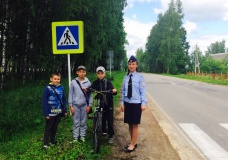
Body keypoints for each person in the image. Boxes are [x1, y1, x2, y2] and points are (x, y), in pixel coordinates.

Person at [120, 55, 147, 153]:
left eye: (133, 64)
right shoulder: (125, 78)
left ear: (136, 65)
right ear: (128, 65)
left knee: (135, 124)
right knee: (130, 124)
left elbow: (143, 91)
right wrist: (122, 103)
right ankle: (133, 142)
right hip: (127, 103)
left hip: (136, 103)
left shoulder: (140, 77)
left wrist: (143, 103)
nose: (131, 66)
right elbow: (123, 91)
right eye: (130, 64)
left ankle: (132, 144)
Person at [89, 66, 117, 144]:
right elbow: (90, 88)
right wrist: (87, 89)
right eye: (99, 73)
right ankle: (102, 131)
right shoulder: (95, 82)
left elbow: (114, 90)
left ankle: (111, 135)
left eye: (102, 73)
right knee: (101, 117)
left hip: (108, 103)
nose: (100, 75)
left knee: (110, 119)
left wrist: (114, 91)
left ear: (104, 74)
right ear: (96, 74)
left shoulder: (107, 82)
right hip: (100, 102)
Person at [42, 73, 67, 149]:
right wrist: (46, 113)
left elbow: (63, 99)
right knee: (48, 128)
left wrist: (65, 110)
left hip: (58, 112)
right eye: (55, 79)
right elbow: (44, 101)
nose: (56, 80)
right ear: (51, 79)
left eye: (58, 79)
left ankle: (52, 141)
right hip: (50, 113)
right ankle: (46, 143)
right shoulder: (47, 88)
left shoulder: (61, 88)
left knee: (55, 127)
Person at [68, 65, 92, 143]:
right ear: (77, 73)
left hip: (84, 105)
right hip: (75, 105)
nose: (81, 73)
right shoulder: (73, 82)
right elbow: (70, 94)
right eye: (80, 72)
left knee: (83, 121)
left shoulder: (88, 82)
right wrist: (70, 105)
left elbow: (90, 94)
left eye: (83, 72)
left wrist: (90, 105)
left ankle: (82, 136)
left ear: (85, 73)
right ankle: (75, 137)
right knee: (76, 121)